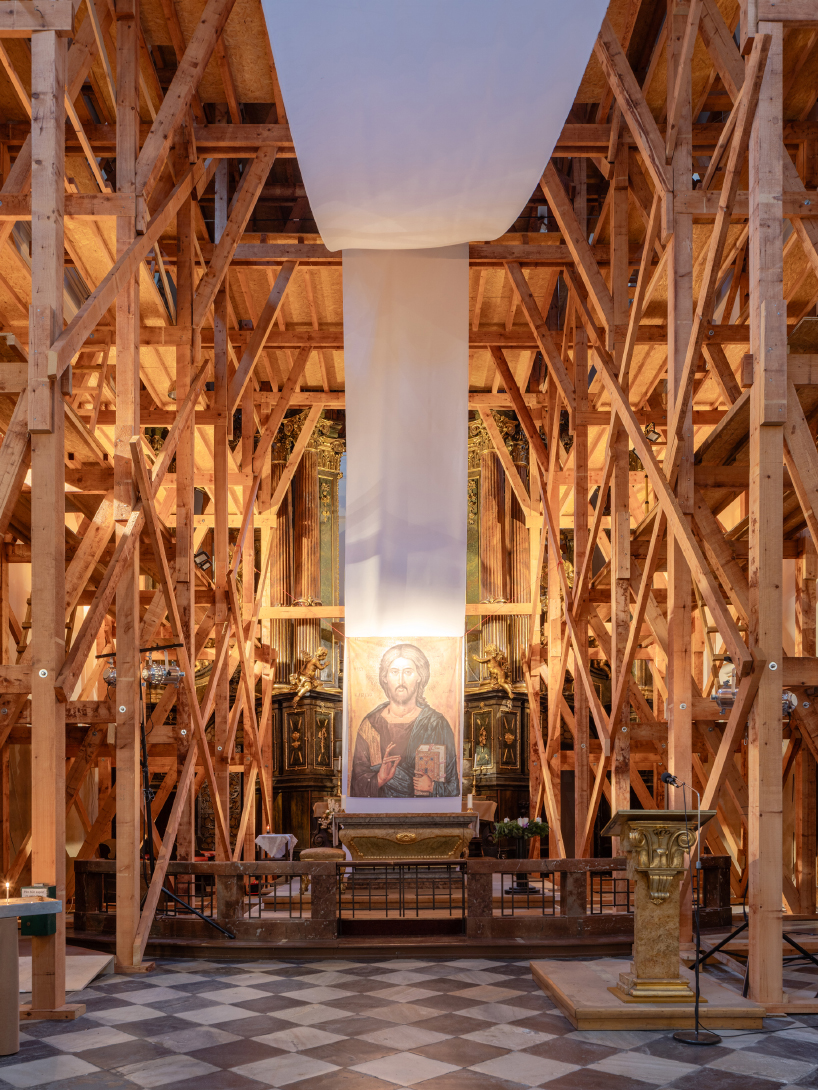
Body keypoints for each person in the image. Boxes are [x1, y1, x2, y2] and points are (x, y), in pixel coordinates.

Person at [350, 642, 459, 798]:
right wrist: (379, 779)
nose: (401, 680)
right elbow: (357, 785)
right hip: (381, 811)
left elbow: (453, 787)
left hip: (423, 811)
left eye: (408, 672)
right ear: (385, 677)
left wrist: (432, 787)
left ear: (420, 676)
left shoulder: (436, 724)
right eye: (394, 672)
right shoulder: (370, 725)